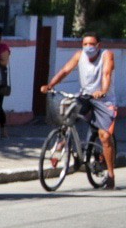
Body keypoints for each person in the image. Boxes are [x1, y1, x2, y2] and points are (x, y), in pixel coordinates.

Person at [42, 33, 117, 187]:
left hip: (104, 100)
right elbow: (65, 71)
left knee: (104, 137)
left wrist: (103, 90)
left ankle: (110, 175)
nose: (88, 47)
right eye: (85, 44)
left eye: (91, 44)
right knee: (66, 111)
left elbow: (106, 74)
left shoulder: (106, 55)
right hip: (85, 96)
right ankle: (64, 142)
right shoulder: (79, 55)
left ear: (98, 45)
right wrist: (51, 85)